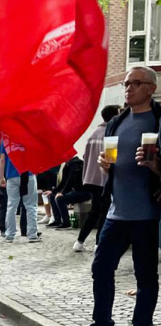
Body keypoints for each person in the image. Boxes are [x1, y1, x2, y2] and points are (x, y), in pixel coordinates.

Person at [74, 68, 161, 326]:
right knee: (101, 268)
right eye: (126, 83)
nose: (128, 88)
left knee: (145, 276)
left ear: (151, 88)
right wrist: (104, 166)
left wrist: (156, 166)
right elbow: (110, 166)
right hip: (116, 212)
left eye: (136, 83)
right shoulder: (116, 123)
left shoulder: (158, 120)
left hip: (147, 214)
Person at [73, 105, 118, 252]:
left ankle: (79, 241)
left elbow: (85, 156)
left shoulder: (94, 133)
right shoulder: (110, 133)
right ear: (114, 117)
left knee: (94, 211)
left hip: (91, 178)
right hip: (104, 178)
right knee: (104, 211)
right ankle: (99, 243)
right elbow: (111, 158)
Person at [0, 141, 40, 243]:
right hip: (28, 174)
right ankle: (32, 235)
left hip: (11, 175)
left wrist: (1, 177)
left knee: (11, 206)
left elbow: (2, 160)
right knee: (31, 206)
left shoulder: (5, 139)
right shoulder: (28, 136)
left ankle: (10, 235)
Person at [48, 153, 85, 229]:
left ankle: (66, 222)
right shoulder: (67, 165)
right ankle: (57, 220)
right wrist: (53, 191)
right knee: (52, 196)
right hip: (74, 190)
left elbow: (70, 180)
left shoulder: (76, 164)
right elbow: (63, 182)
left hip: (83, 191)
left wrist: (62, 193)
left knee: (60, 199)